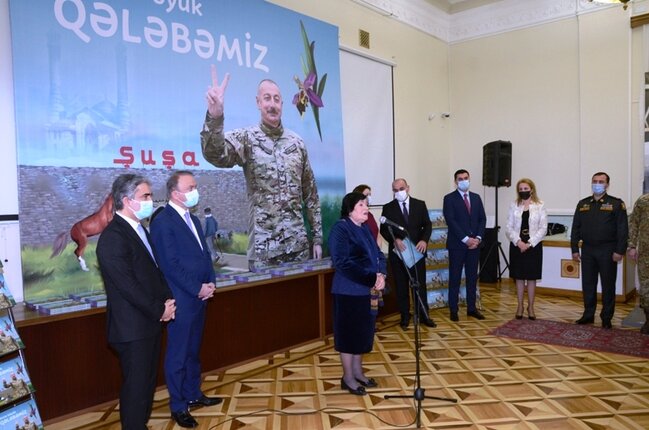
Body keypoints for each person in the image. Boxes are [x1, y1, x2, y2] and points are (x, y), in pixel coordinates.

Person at [201, 65, 322, 270]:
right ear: (258, 102)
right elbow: (215, 155)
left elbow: (310, 194)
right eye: (267, 98)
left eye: (276, 99)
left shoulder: (297, 143)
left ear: (282, 104)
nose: (272, 104)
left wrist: (317, 237)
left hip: (297, 248)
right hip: (264, 251)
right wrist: (215, 117)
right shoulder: (247, 138)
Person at [95, 174, 176, 430]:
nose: (151, 200)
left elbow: (153, 271)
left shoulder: (139, 229)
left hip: (149, 323)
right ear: (128, 200)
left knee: (146, 385)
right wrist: (159, 309)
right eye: (146, 196)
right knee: (136, 388)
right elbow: (128, 286)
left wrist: (167, 301)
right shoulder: (113, 237)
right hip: (132, 328)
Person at [150, 171, 221, 428]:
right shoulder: (163, 221)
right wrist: (196, 288)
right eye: (190, 187)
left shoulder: (194, 219)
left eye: (195, 186)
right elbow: (170, 265)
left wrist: (210, 282)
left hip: (200, 296)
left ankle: (193, 393)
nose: (195, 191)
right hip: (182, 298)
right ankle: (178, 406)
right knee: (178, 355)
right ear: (175, 193)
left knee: (193, 350)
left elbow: (204, 255)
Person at [329, 192, 386, 395]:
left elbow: (378, 255)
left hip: (367, 291)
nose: (366, 208)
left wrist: (382, 274)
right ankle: (348, 378)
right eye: (361, 204)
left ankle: (358, 372)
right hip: (348, 291)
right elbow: (342, 263)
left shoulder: (364, 228)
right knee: (349, 336)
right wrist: (372, 278)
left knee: (362, 334)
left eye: (366, 204)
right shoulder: (341, 228)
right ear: (349, 208)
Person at [571, 172, 628, 329]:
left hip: (608, 250)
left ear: (607, 185)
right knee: (588, 284)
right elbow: (575, 228)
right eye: (595, 181)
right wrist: (574, 249)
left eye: (601, 181)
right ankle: (588, 314)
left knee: (608, 285)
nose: (597, 184)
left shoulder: (616, 204)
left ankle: (606, 317)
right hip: (588, 249)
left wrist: (619, 251)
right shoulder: (583, 204)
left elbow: (623, 230)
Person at [380, 178, 436, 329]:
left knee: (419, 285)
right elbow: (383, 229)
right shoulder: (388, 208)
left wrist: (424, 240)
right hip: (398, 254)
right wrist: (394, 240)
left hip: (416, 252)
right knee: (401, 286)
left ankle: (423, 315)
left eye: (401, 189)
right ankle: (405, 316)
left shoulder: (420, 204)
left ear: (408, 188)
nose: (399, 192)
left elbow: (427, 225)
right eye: (395, 190)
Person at [443, 169, 487, 322]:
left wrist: (478, 238)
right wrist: (466, 239)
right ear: (455, 181)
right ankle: (453, 310)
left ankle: (471, 308)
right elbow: (451, 221)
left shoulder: (476, 197)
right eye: (460, 179)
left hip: (475, 245)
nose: (463, 181)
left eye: (465, 178)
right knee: (455, 278)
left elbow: (482, 219)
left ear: (469, 178)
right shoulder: (449, 198)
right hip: (457, 245)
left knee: (472, 278)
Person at [504, 178, 547, 320]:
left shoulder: (540, 205)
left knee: (532, 277)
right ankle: (520, 306)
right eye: (521, 189)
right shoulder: (514, 205)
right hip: (517, 245)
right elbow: (508, 227)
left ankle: (531, 307)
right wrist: (518, 242)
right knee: (519, 277)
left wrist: (529, 243)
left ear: (531, 189)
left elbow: (543, 228)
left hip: (533, 246)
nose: (523, 191)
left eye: (526, 189)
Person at [628, 193, 649, 334]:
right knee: (646, 286)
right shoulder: (643, 201)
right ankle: (648, 320)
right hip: (645, 254)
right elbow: (634, 223)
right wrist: (632, 246)